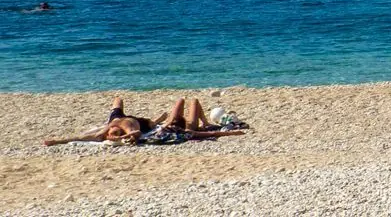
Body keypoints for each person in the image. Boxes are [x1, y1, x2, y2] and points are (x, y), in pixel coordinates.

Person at [42, 97, 246, 147]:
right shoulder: (112, 129)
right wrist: (56, 141)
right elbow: (77, 138)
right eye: (111, 135)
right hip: (180, 127)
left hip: (146, 122)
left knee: (178, 105)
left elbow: (136, 134)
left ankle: (201, 121)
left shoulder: (118, 125)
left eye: (110, 135)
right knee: (192, 102)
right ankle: (200, 121)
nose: (109, 136)